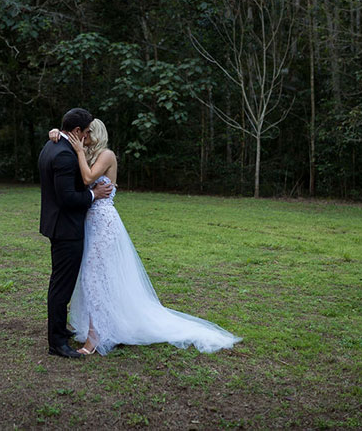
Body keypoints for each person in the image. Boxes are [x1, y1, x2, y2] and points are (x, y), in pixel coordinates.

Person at [48, 119, 241, 356]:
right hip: (90, 224)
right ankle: (107, 328)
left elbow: (87, 180)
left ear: (95, 134)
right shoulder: (87, 155)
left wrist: (77, 150)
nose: (83, 137)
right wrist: (58, 133)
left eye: (86, 133)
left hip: (103, 222)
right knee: (96, 278)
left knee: (94, 277)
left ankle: (94, 338)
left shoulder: (107, 155)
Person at [38, 108, 114, 359]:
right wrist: (93, 195)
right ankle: (57, 342)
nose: (90, 133)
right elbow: (68, 198)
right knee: (61, 286)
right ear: (78, 132)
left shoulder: (52, 145)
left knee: (62, 283)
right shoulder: (64, 154)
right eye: (87, 129)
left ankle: (60, 330)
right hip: (66, 228)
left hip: (61, 225)